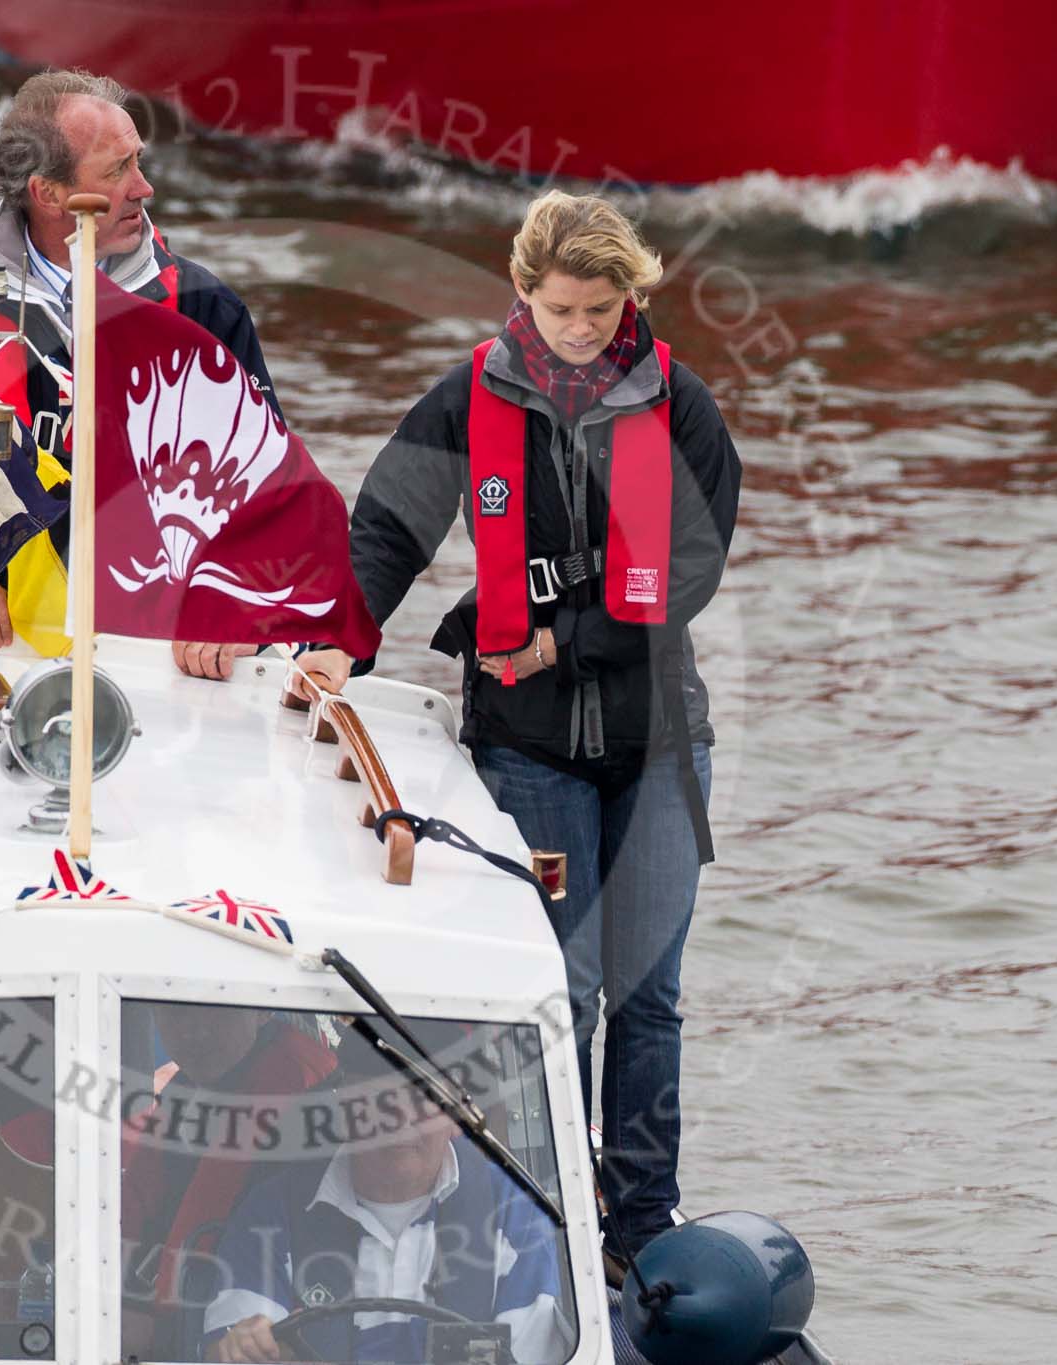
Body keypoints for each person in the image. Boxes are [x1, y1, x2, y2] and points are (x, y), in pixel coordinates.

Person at [301, 191, 742, 1252]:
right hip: (526, 747)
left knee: (647, 994)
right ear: (520, 294)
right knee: (562, 988)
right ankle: (547, 1211)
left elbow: (686, 573)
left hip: (657, 744)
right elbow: (388, 527)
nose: (581, 332)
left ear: (628, 297)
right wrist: (340, 643)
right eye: (560, 312)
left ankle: (638, 1222)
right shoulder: (465, 399)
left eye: (600, 310)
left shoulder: (680, 409)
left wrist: (556, 644)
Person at [0, 67, 276, 672]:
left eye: (138, 162)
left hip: (160, 649)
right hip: (1, 646)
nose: (144, 189)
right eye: (117, 172)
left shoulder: (203, 312)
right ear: (47, 194)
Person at [201, 1033, 573, 1364]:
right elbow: (233, 1346)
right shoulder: (272, 1211)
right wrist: (244, 1347)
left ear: (455, 1110)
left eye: (420, 1098)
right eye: (377, 1100)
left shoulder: (514, 1214)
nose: (398, 1121)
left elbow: (534, 1353)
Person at [119, 1004, 337, 1357]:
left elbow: (204, 1228)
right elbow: (137, 1205)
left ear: (262, 1011)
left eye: (217, 1013)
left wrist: (148, 1320)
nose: (195, 1031)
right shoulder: (186, 1088)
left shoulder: (294, 1090)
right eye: (177, 1013)